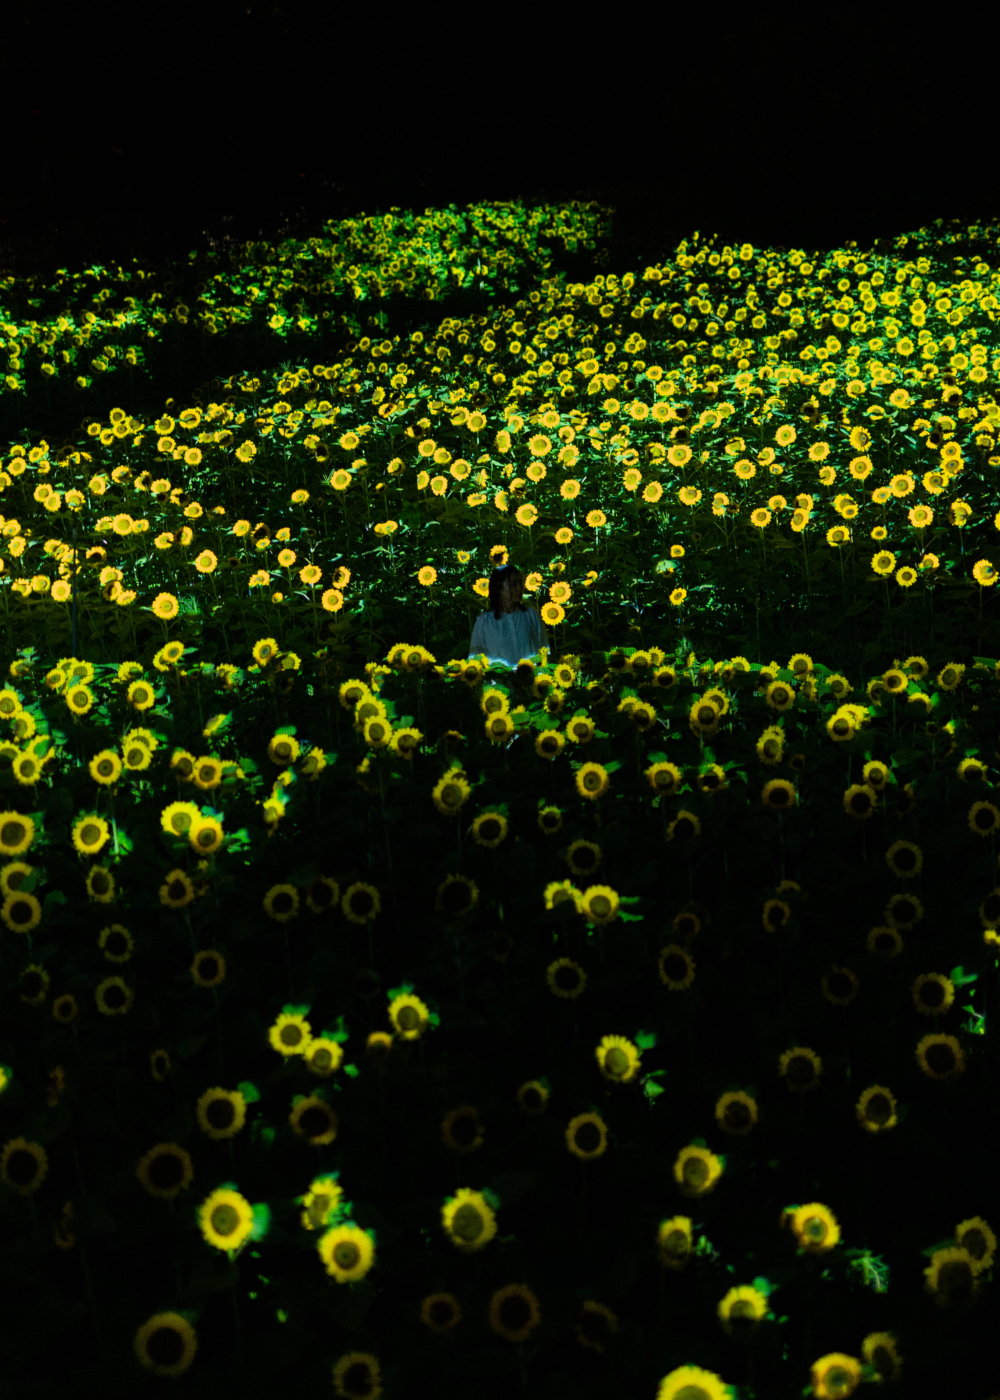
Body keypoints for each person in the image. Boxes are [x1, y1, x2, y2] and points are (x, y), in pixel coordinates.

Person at [468, 564, 549, 670]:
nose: (519, 588)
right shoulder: (484, 622)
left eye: (520, 583)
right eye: (513, 585)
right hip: (499, 685)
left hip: (530, 682)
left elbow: (544, 651)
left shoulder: (531, 615)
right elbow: (475, 661)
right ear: (499, 588)